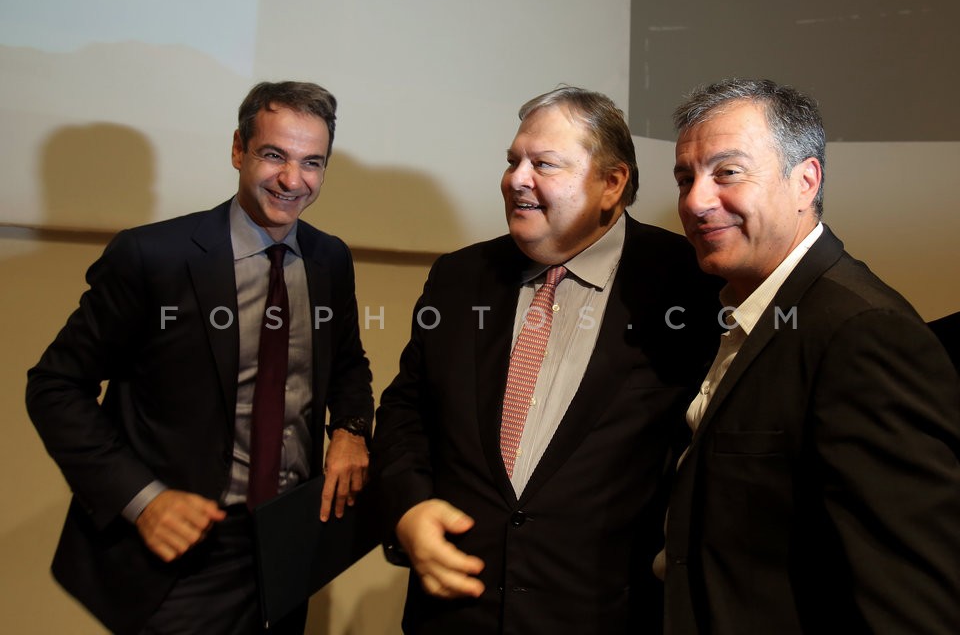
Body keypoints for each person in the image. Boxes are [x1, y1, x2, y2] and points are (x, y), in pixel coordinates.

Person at [26, 81, 374, 634]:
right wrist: (144, 501)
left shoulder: (330, 258)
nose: (292, 180)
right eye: (274, 155)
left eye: (312, 163)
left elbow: (347, 362)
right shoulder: (151, 256)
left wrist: (351, 429)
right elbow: (55, 386)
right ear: (238, 149)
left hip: (289, 542)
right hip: (185, 553)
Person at [371, 86, 720, 634]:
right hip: (455, 616)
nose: (516, 179)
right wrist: (408, 508)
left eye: (543, 164)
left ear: (612, 183)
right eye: (513, 161)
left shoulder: (692, 285)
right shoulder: (459, 278)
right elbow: (405, 411)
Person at [662, 78, 960, 634]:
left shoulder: (864, 333)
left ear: (806, 181)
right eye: (685, 178)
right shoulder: (733, 311)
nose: (696, 201)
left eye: (728, 172)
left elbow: (909, 599)